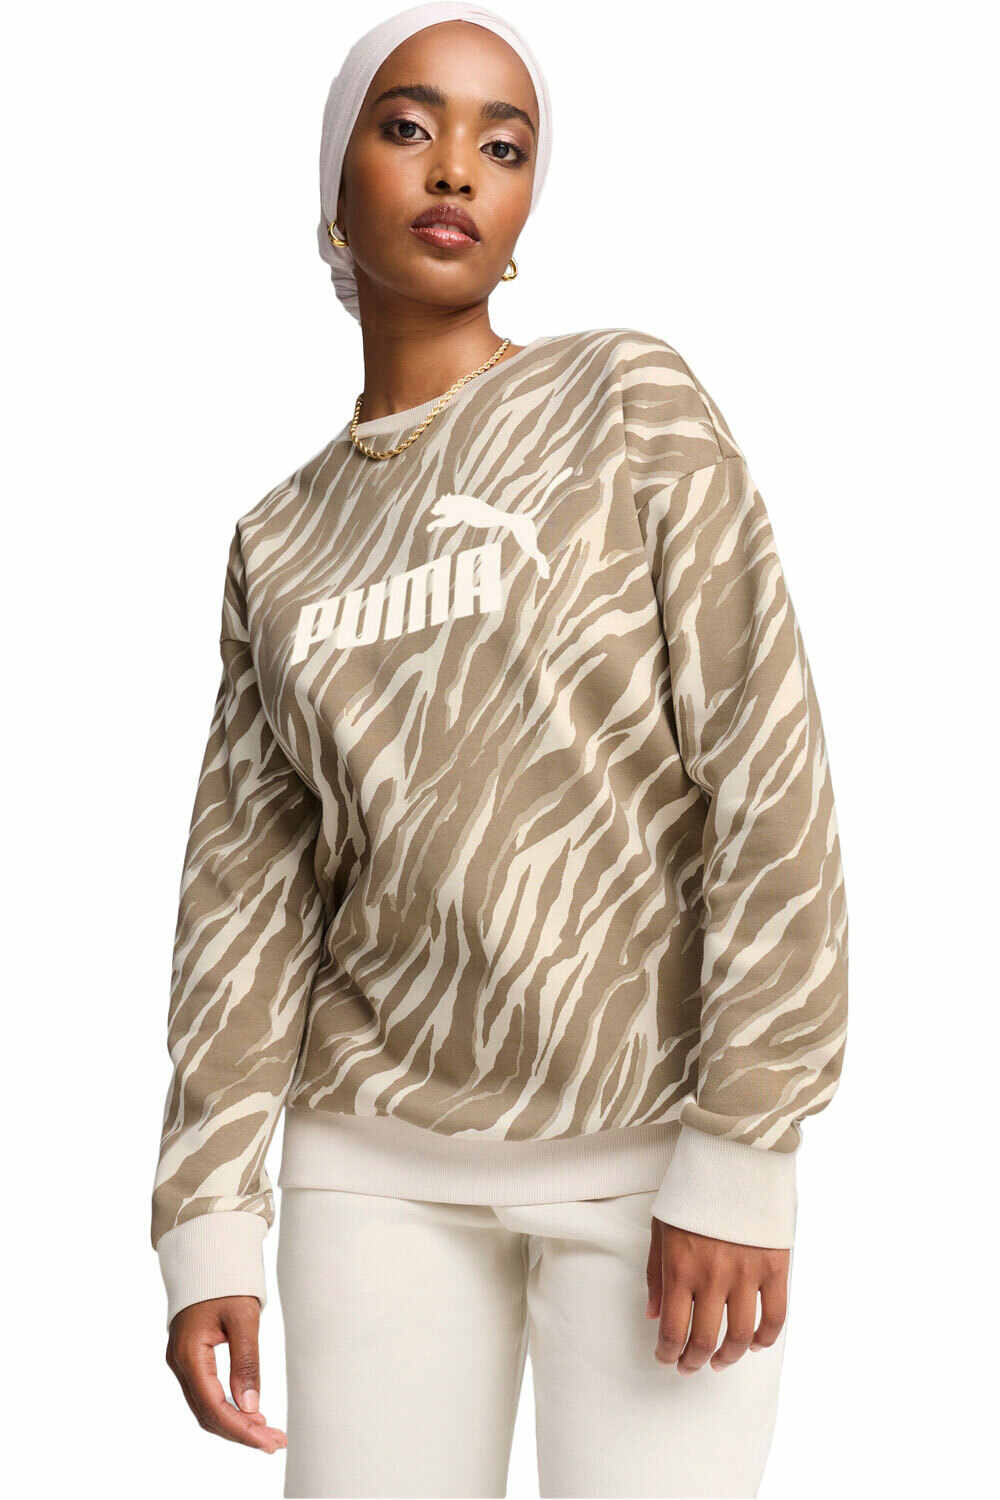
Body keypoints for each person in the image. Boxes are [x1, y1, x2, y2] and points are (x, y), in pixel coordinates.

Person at [151, 4, 849, 1496]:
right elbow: (244, 899)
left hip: (651, 1145)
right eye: (409, 126)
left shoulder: (628, 402)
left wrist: (745, 1149)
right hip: (370, 1156)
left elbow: (767, 767)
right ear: (333, 185)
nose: (457, 167)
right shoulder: (280, 539)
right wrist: (206, 1216)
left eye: (505, 144)